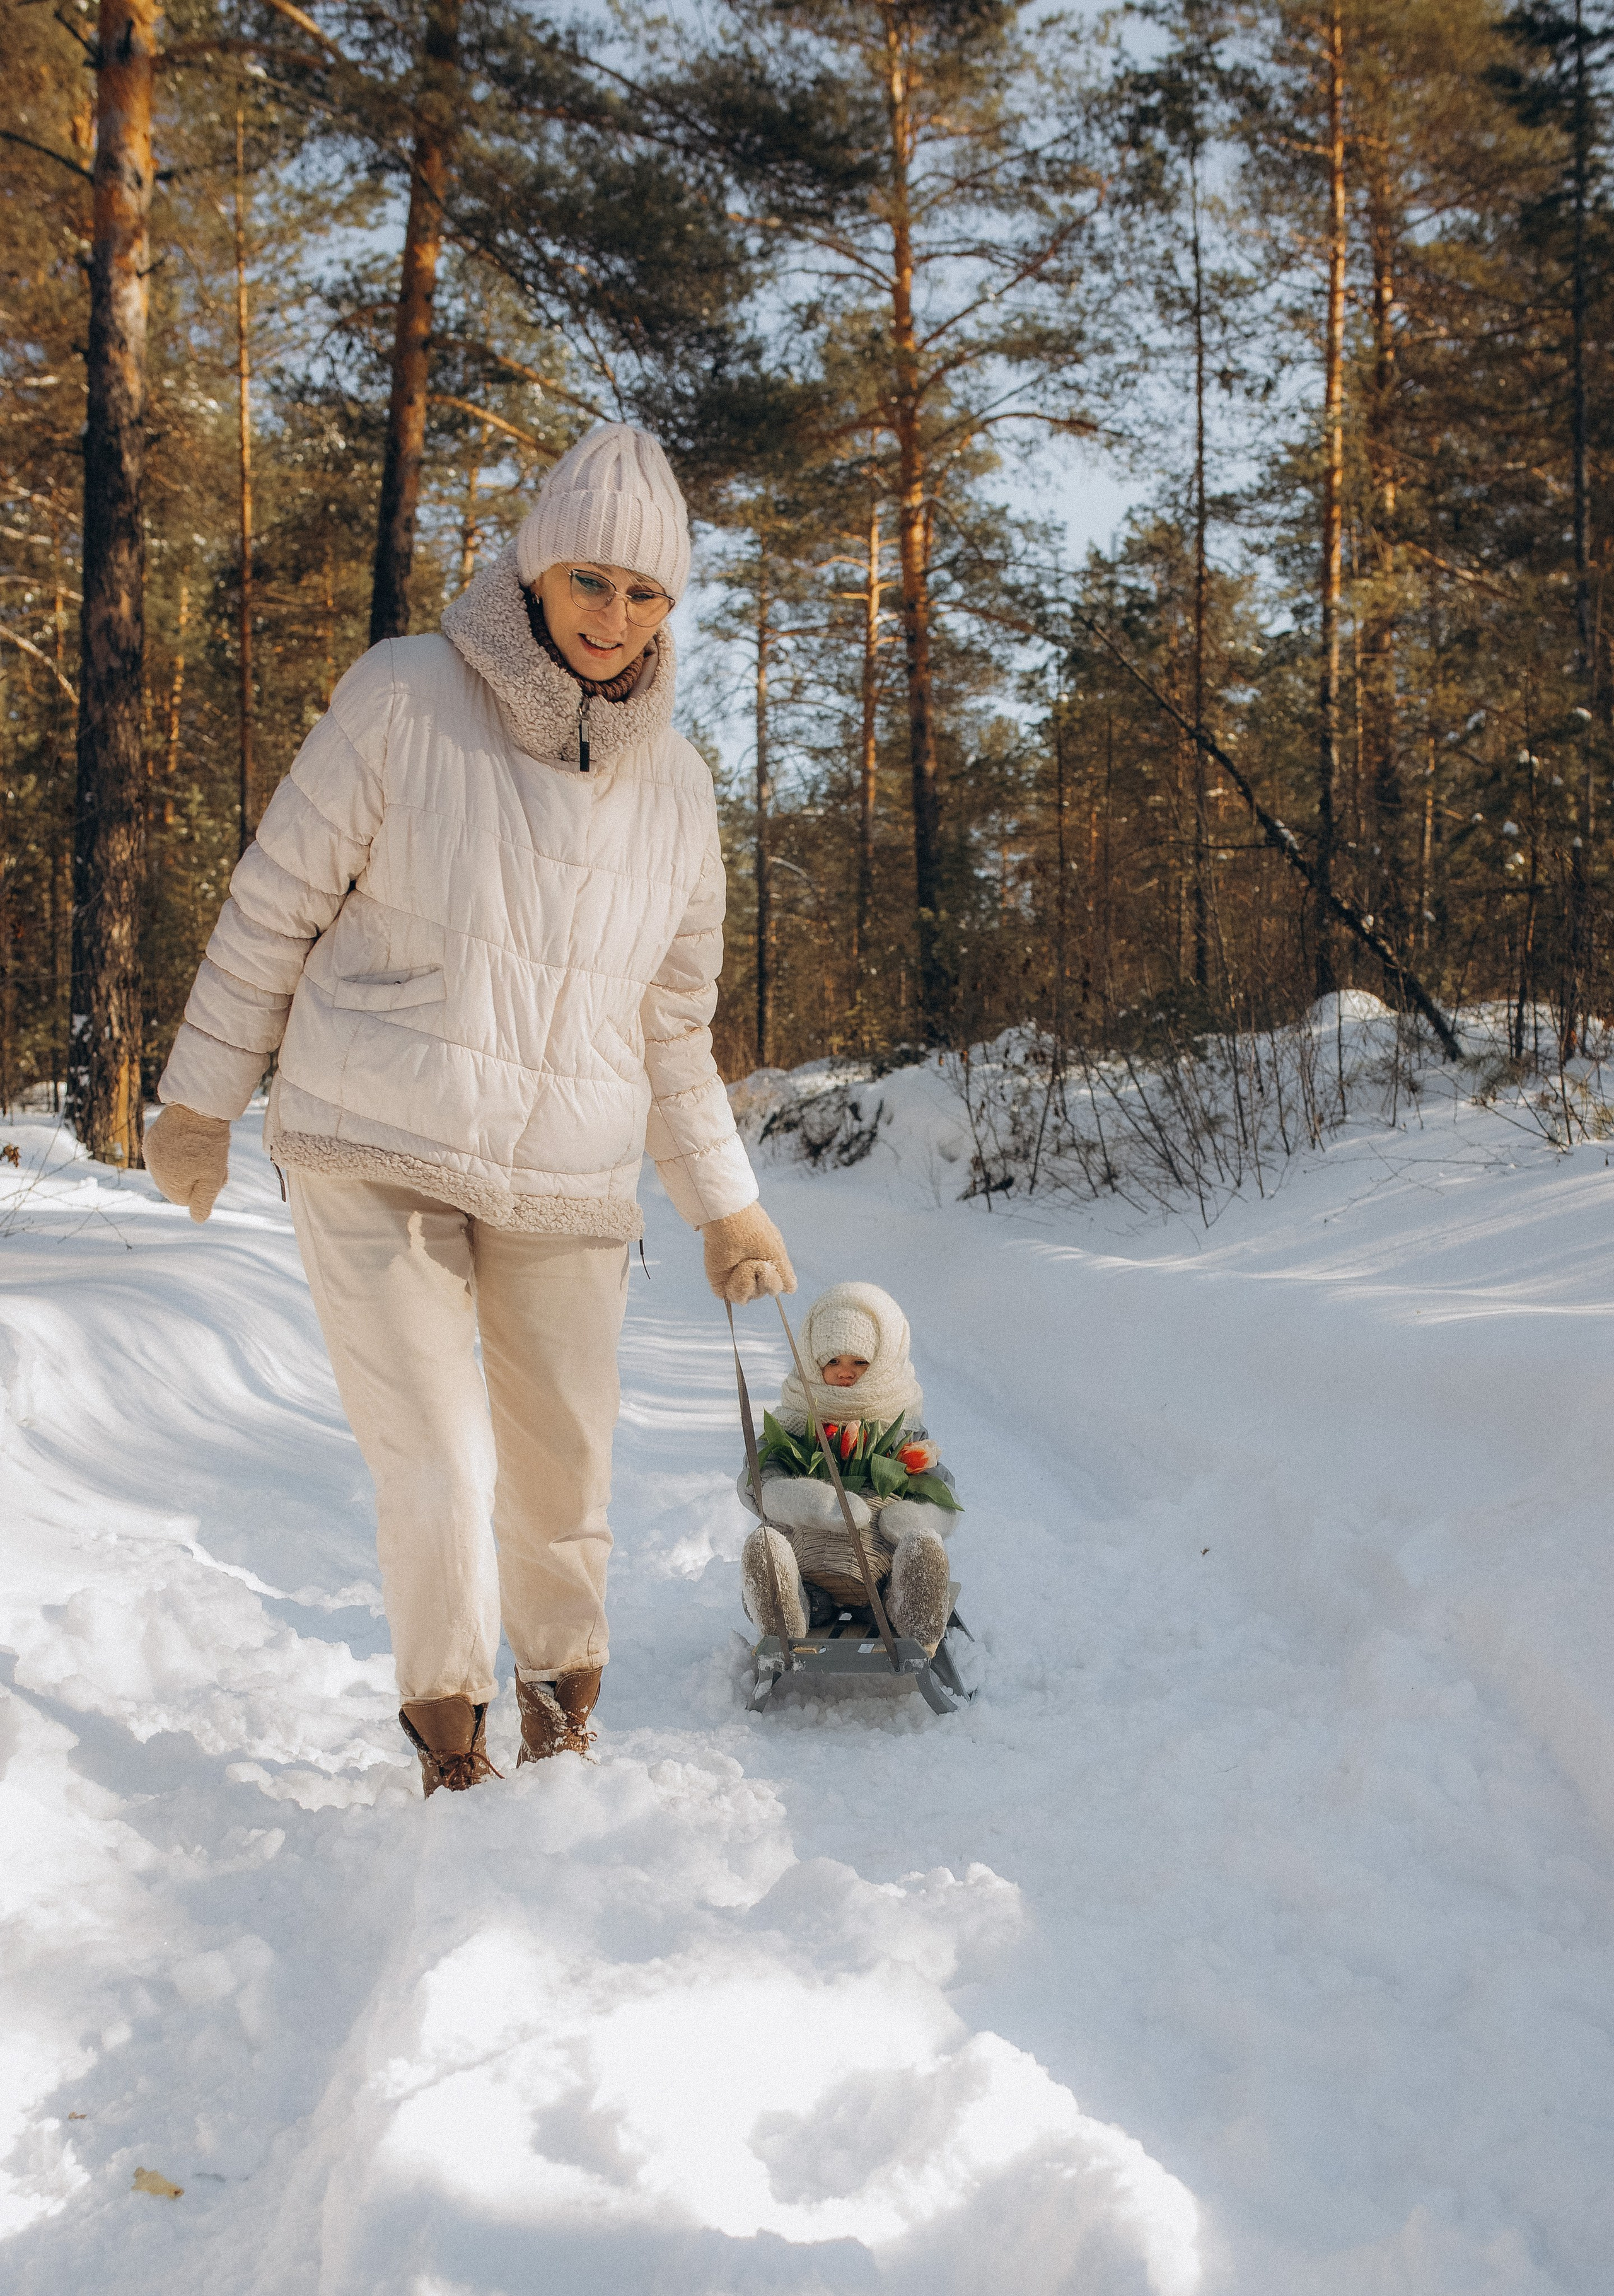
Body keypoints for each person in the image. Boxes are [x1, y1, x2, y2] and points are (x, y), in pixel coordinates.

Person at [142, 424, 795, 1794]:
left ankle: (563, 1726)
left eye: (645, 593)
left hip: (566, 1178)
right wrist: (198, 1101)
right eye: (590, 581)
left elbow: (670, 1029)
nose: (614, 617)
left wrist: (724, 1202)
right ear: (536, 569)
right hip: (375, 1143)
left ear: (671, 606)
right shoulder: (401, 698)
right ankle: (452, 1752)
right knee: (441, 1468)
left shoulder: (675, 789)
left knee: (563, 1480)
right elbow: (273, 909)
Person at [737, 1282, 956, 1654]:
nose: (845, 1373)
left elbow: (940, 1485)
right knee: (778, 1557)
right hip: (810, 1564)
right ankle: (785, 1609)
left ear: (883, 1362)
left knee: (905, 1567)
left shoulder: (900, 1423)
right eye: (832, 1362)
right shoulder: (795, 1416)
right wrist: (800, 1499)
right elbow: (757, 1476)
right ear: (812, 1361)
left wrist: (916, 1517)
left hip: (879, 1568)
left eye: (860, 1362)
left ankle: (909, 1607)